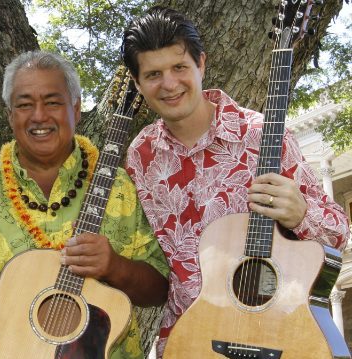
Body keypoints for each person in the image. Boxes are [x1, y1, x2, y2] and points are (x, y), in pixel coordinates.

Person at [121, 6, 351, 357]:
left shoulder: (261, 134)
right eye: (153, 74)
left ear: (201, 64)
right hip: (193, 342)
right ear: (138, 83)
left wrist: (301, 214)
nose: (169, 84)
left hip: (277, 334)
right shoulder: (142, 155)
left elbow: (339, 232)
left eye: (179, 67)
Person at [0, 50, 170, 359]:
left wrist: (115, 266)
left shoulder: (121, 187)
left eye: (53, 102)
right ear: (11, 115)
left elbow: (160, 287)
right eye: (24, 104)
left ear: (76, 109)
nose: (39, 116)